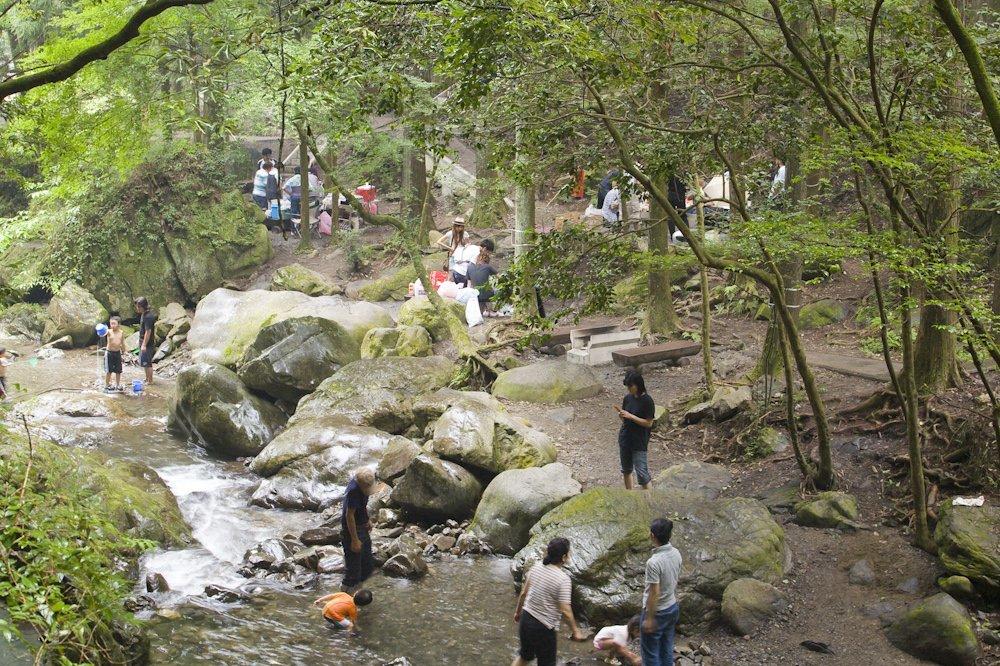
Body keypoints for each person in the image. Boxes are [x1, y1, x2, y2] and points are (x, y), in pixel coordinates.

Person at [512, 537, 588, 666]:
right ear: (564, 557)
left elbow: (524, 593)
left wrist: (517, 613)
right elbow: (565, 609)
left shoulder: (536, 567)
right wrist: (575, 631)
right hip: (543, 627)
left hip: (526, 619)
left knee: (524, 657)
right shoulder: (563, 579)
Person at [640, 518, 682, 666]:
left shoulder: (653, 562)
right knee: (666, 649)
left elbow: (654, 592)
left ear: (652, 536)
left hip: (657, 612)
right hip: (672, 607)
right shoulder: (676, 553)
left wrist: (649, 618)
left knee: (650, 655)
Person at [614, 369, 655, 490]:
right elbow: (626, 420)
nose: (629, 389)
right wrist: (623, 416)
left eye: (631, 386)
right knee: (626, 470)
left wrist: (631, 416)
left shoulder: (647, 401)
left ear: (638, 385)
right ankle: (630, 496)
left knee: (642, 474)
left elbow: (649, 423)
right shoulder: (628, 398)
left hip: (639, 441)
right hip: (625, 439)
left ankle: (650, 501)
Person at [341, 467, 377, 591]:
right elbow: (349, 515)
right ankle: (344, 597)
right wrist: (354, 540)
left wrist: (367, 520)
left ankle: (358, 594)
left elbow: (362, 507)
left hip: (362, 527)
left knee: (367, 566)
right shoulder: (353, 491)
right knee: (353, 570)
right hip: (352, 531)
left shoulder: (364, 487)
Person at [467, 238, 498, 312]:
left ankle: (482, 310)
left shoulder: (473, 249)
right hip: (470, 274)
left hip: (469, 276)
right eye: (489, 252)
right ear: (484, 249)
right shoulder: (478, 254)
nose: (489, 254)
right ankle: (490, 310)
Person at [134, 297, 156, 386]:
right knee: (144, 362)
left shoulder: (148, 317)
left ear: (143, 306)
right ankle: (147, 378)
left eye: (138, 307)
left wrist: (144, 345)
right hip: (143, 341)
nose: (137, 308)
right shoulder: (144, 314)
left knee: (147, 363)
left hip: (147, 343)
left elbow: (148, 331)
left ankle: (150, 381)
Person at [104, 316, 125, 391]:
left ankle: (118, 384)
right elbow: (101, 333)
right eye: (111, 324)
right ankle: (107, 384)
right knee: (108, 370)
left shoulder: (121, 333)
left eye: (114, 324)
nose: (112, 325)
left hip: (117, 353)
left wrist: (124, 351)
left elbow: (122, 343)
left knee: (118, 370)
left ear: (119, 324)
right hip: (109, 353)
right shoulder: (108, 332)